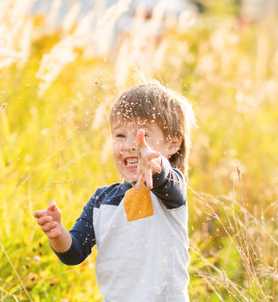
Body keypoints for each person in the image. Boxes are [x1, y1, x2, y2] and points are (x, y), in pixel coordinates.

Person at [34, 82, 195, 301]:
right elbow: (75, 253)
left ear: (172, 144)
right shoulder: (102, 201)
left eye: (142, 136)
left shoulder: (168, 191)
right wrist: (57, 233)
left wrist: (155, 166)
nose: (130, 145)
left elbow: (166, 180)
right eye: (120, 136)